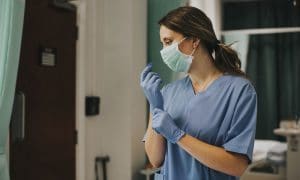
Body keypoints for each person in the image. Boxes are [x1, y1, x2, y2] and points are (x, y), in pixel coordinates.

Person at [140, 6, 257, 180]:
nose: (164, 51)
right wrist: (155, 107)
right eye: (162, 43)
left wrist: (178, 135)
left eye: (168, 42)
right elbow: (155, 160)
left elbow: (237, 166)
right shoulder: (167, 93)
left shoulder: (239, 91)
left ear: (194, 40)